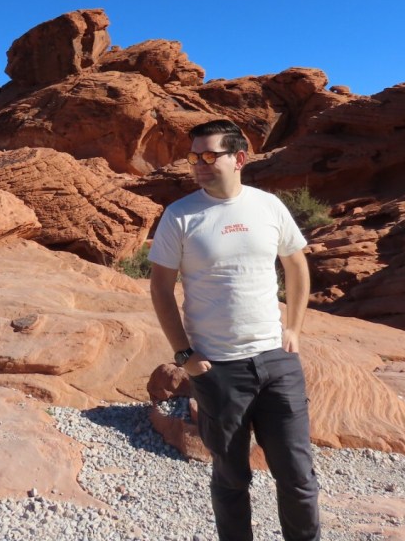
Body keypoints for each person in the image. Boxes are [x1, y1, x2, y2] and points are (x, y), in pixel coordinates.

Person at [148, 119, 320, 541]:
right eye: (194, 157)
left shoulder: (268, 206)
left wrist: (294, 328)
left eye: (209, 156)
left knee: (297, 475)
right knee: (231, 478)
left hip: (276, 362)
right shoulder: (180, 215)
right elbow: (161, 288)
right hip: (218, 368)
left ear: (239, 158)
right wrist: (184, 355)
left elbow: (296, 264)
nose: (199, 164)